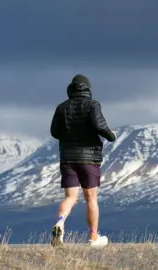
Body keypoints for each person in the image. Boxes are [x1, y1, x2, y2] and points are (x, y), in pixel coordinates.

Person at [49, 74, 116, 248]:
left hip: (68, 159)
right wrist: (111, 135)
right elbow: (100, 125)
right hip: (88, 158)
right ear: (88, 88)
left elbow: (54, 132)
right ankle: (93, 237)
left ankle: (60, 223)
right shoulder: (93, 105)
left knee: (70, 197)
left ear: (71, 88)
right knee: (91, 198)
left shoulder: (61, 107)